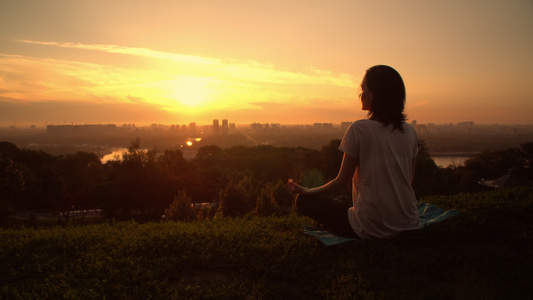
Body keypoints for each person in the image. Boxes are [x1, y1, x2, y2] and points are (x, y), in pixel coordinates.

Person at [288, 65, 421, 239]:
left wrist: (306, 190)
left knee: (304, 201)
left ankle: (334, 226)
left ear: (374, 94)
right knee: (346, 206)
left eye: (363, 89)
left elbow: (341, 183)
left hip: (370, 228)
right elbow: (408, 180)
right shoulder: (410, 131)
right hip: (409, 223)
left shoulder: (359, 129)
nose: (360, 94)